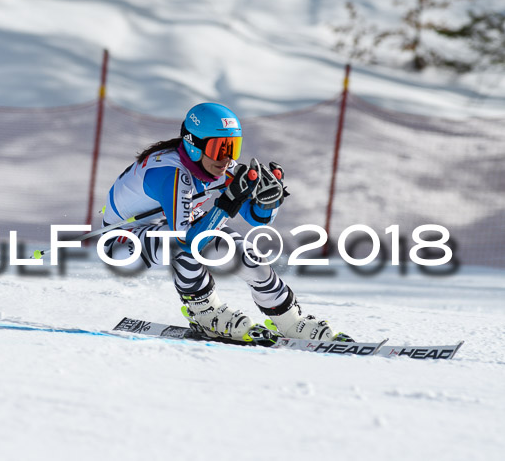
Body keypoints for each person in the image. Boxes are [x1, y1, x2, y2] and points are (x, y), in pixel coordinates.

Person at [101, 103, 352, 344]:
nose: (226, 158)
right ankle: (205, 312)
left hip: (170, 227)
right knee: (185, 247)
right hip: (123, 242)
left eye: (233, 147)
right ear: (194, 146)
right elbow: (187, 241)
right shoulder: (172, 173)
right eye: (219, 148)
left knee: (245, 254)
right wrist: (227, 203)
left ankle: (289, 320)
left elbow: (257, 219)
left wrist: (269, 202)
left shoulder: (218, 167)